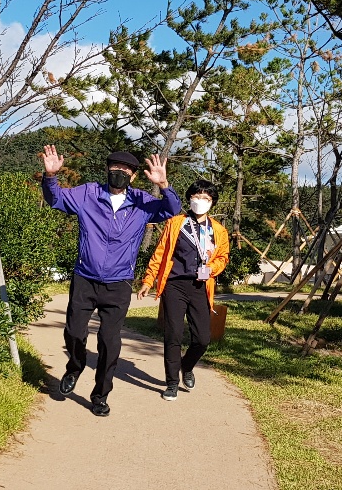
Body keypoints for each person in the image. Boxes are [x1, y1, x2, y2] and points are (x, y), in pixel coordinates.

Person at [42, 145, 179, 417]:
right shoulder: (88, 194)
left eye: (126, 170)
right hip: (85, 277)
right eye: (116, 168)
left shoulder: (141, 202)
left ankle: (100, 396)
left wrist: (163, 184)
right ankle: (75, 367)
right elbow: (55, 198)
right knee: (74, 332)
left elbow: (173, 210)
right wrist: (50, 176)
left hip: (118, 283)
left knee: (109, 341)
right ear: (107, 170)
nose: (120, 172)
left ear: (134, 176)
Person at [139, 179, 230, 401]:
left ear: (212, 202)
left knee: (202, 339)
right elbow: (160, 253)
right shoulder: (175, 223)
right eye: (197, 196)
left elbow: (223, 257)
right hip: (174, 285)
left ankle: (186, 366)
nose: (201, 201)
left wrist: (212, 269)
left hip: (201, 286)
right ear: (190, 198)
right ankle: (171, 383)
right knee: (173, 335)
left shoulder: (218, 230)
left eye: (206, 198)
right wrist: (148, 280)